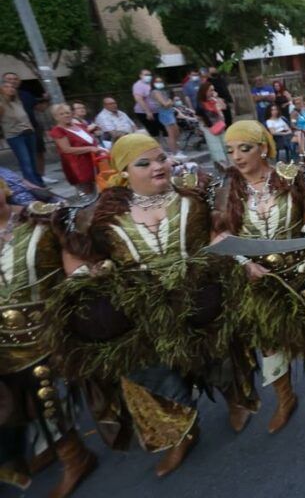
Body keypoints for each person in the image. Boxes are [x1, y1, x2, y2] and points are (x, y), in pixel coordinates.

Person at [54, 135, 253, 478]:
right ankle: (182, 432)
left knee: (218, 355)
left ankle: (236, 399)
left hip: (198, 294)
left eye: (160, 158)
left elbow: (219, 232)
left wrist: (231, 252)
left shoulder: (195, 197)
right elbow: (76, 254)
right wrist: (91, 274)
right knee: (157, 373)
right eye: (143, 163)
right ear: (124, 171)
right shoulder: (101, 216)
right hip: (143, 309)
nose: (157, 166)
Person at [213, 122, 305, 425]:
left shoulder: (290, 178)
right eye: (230, 151)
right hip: (260, 278)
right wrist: (244, 262)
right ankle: (285, 397)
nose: (237, 157)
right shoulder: (227, 190)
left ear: (263, 148)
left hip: (301, 269)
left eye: (245, 148)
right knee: (268, 341)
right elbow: (220, 237)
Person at [0, 180, 99, 496]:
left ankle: (75, 457)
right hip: (4, 342)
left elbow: (77, 264)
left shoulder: (42, 220)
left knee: (48, 397)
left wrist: (87, 276)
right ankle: (50, 448)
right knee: (19, 403)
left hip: (47, 330)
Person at [2, 73, 49, 184]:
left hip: (29, 132)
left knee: (33, 159)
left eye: (12, 86)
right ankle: (32, 185)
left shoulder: (19, 100)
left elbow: (35, 110)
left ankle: (39, 183)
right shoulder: (2, 104)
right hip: (15, 135)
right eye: (7, 86)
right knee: (25, 161)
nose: (11, 88)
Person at [48, 103, 103, 194]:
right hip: (78, 164)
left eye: (67, 113)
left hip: (93, 160)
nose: (66, 115)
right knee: (88, 190)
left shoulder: (80, 126)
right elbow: (66, 149)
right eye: (61, 114)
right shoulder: (58, 130)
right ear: (56, 117)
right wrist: (90, 148)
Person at [195, 82, 228, 165]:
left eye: (213, 90)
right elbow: (199, 117)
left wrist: (217, 99)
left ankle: (228, 165)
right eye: (210, 90)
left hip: (220, 126)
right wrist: (204, 127)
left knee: (225, 147)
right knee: (217, 149)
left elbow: (224, 107)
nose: (212, 92)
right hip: (209, 128)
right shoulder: (200, 104)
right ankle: (221, 166)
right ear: (205, 91)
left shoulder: (214, 100)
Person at [151, 76, 184, 159]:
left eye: (160, 81)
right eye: (157, 81)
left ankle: (177, 150)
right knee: (171, 134)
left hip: (170, 112)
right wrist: (170, 101)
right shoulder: (155, 92)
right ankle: (175, 153)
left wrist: (170, 102)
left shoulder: (163, 91)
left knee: (176, 132)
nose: (159, 83)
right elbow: (165, 104)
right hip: (164, 113)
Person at [132, 69, 163, 138]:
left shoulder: (151, 84)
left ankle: (166, 146)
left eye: (149, 75)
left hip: (157, 111)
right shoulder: (138, 85)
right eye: (146, 75)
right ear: (140, 76)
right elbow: (139, 99)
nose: (148, 76)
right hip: (144, 112)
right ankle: (157, 146)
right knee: (154, 131)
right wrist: (148, 112)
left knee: (163, 128)